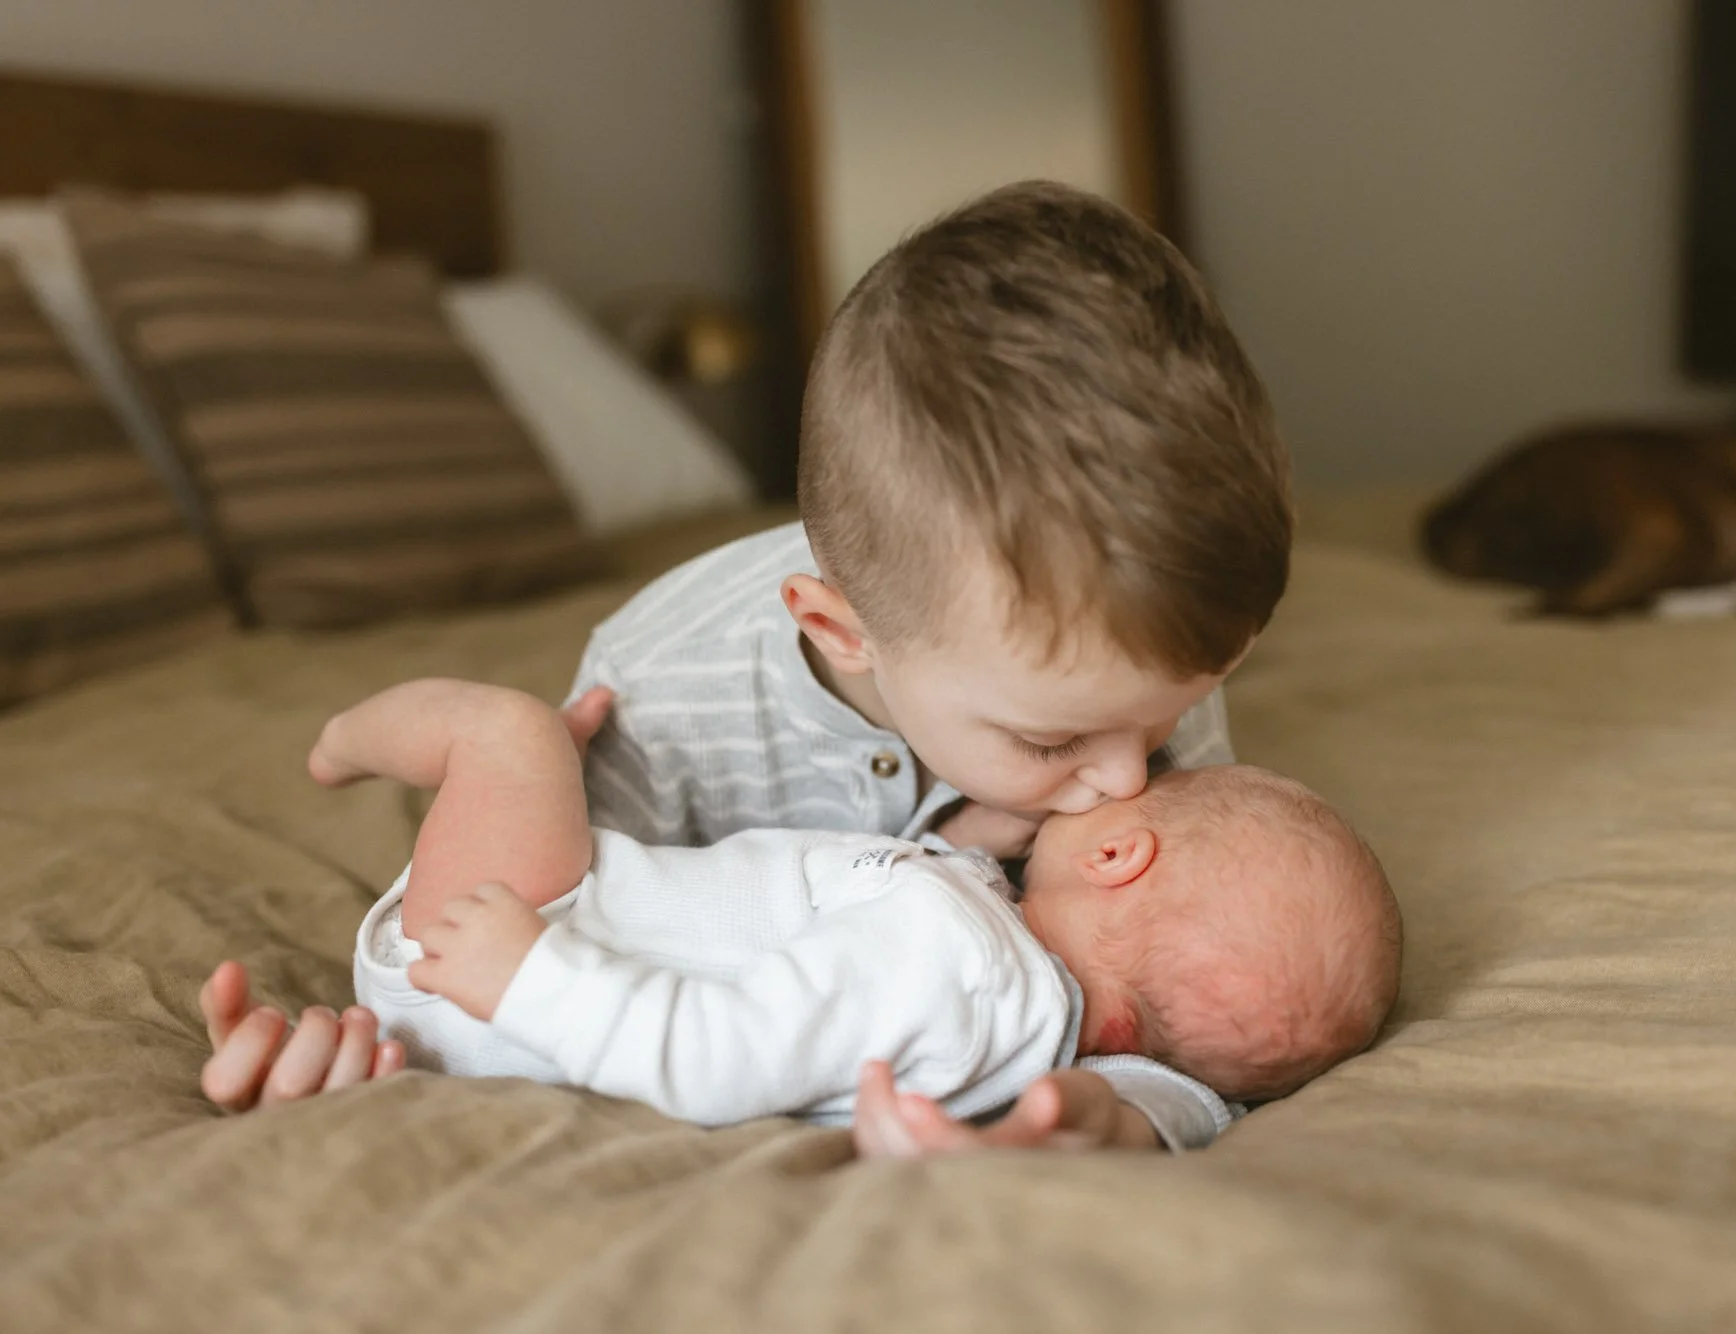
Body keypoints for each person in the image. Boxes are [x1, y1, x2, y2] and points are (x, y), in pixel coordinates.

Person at [199, 179, 1297, 1151]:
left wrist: (1126, 1107)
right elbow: (526, 944)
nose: (1126, 781)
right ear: (840, 631)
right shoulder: (666, 696)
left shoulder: (1131, 681)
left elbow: (1159, 988)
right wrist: (372, 1056)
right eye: (1051, 741)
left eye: (1164, 721)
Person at [323, 679, 1401, 1130]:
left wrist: (532, 971)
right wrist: (972, 844)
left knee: (508, 731)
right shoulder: (1016, 1006)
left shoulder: (956, 957)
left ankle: (335, 746)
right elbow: (885, 895)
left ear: (1119, 849)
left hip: (520, 945)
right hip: (510, 988)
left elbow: (718, 1051)